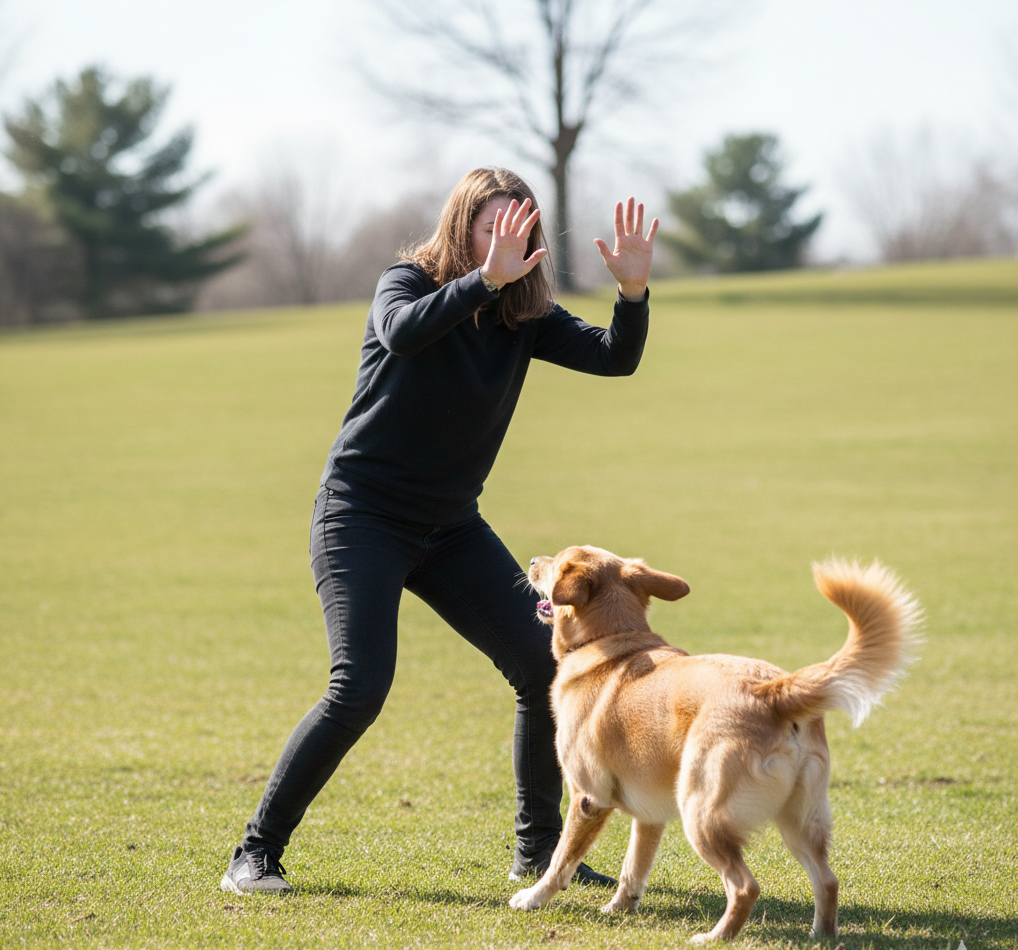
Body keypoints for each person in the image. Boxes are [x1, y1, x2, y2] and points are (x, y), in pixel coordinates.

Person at [221, 167, 659, 895]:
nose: (507, 244)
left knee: (543, 663)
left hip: (451, 528)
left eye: (521, 231)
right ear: (464, 228)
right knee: (359, 685)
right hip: (360, 515)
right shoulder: (407, 284)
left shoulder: (525, 316)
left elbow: (616, 357)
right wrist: (484, 280)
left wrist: (633, 292)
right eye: (493, 229)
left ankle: (539, 853)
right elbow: (403, 335)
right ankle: (255, 854)